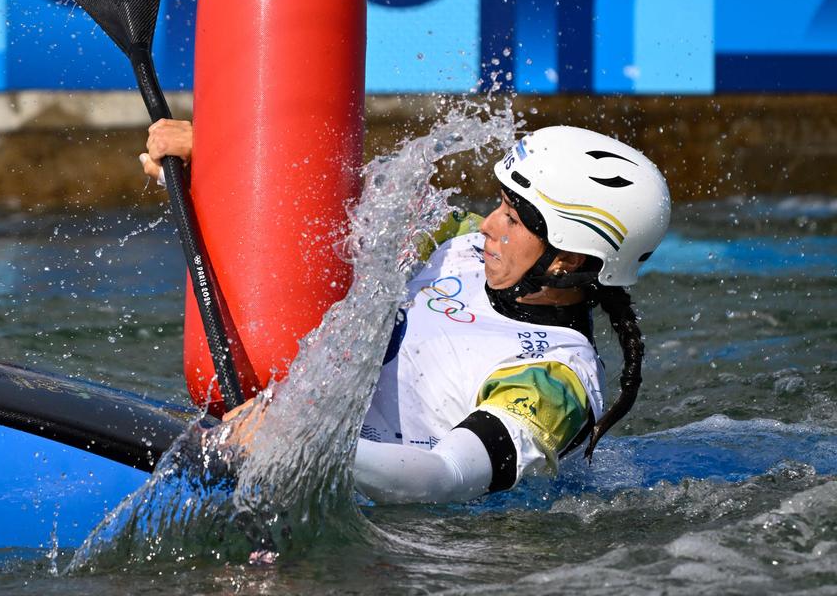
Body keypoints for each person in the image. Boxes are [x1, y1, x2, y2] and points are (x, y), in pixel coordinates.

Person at [140, 120, 671, 504]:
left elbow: (443, 476)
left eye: (514, 218)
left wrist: (289, 442)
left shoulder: (556, 382)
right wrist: (213, 168)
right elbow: (326, 211)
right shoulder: (460, 239)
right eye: (499, 205)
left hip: (399, 544)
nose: (488, 224)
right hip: (275, 450)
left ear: (569, 259)